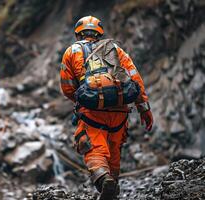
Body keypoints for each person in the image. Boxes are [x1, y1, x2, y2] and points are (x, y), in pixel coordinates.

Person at [60, 16, 153, 199]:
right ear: (99, 32)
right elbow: (134, 76)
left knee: (94, 148)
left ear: (78, 33)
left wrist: (83, 99)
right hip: (120, 109)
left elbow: (67, 86)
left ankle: (104, 180)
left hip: (92, 112)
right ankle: (113, 185)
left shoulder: (72, 51)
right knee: (114, 149)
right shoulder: (115, 49)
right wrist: (144, 108)